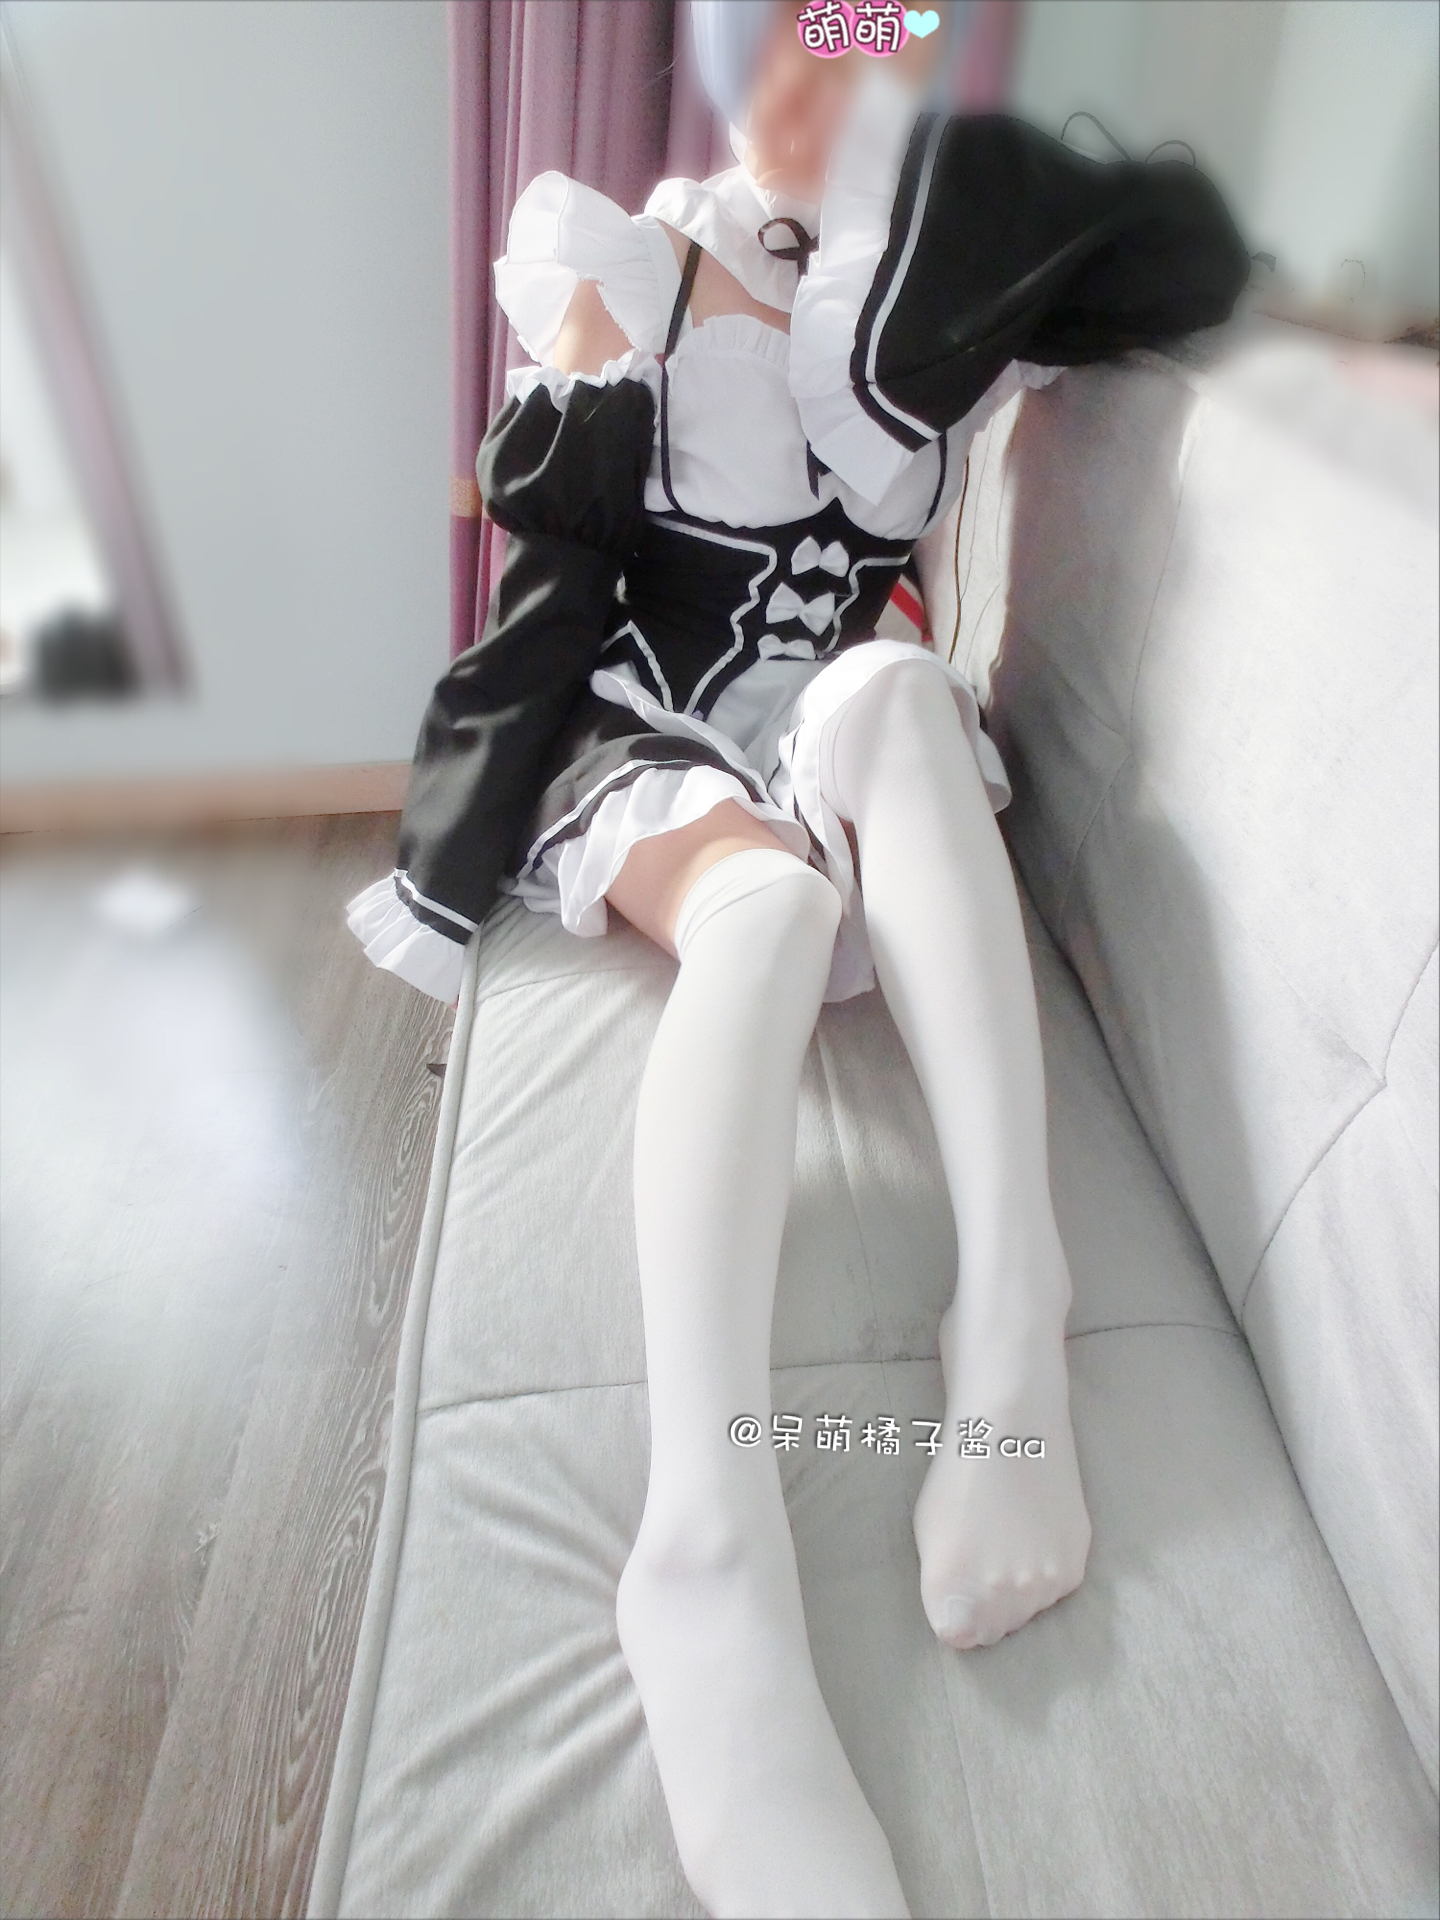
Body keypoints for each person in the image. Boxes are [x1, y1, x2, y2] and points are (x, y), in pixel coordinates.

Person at [347, 5, 1249, 1912]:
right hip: (651, 734)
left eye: (859, 39)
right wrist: (591, 388)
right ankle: (703, 1541)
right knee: (765, 914)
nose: (812, 74)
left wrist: (961, 189)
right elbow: (548, 547)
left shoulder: (924, 281)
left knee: (905, 695)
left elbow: (1192, 255)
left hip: (834, 724)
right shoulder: (626, 250)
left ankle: (1013, 1334)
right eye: (784, 35)